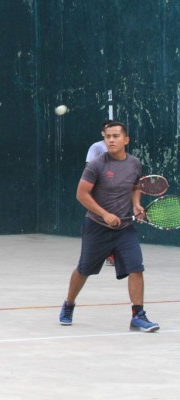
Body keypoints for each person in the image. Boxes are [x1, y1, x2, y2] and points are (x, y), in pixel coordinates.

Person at [59, 121, 159, 332]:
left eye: (115, 136)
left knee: (136, 268)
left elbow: (135, 186)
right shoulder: (96, 164)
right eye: (107, 137)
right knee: (83, 269)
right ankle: (69, 304)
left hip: (124, 228)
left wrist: (136, 204)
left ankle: (138, 315)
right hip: (96, 227)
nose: (111, 140)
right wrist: (104, 214)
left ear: (126, 140)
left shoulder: (134, 163)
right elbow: (81, 194)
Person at [86, 119, 115, 266]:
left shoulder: (118, 148)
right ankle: (104, 253)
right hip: (99, 190)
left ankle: (110, 253)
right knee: (99, 221)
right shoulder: (96, 147)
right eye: (107, 132)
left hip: (115, 190)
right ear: (103, 133)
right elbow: (89, 168)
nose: (111, 137)